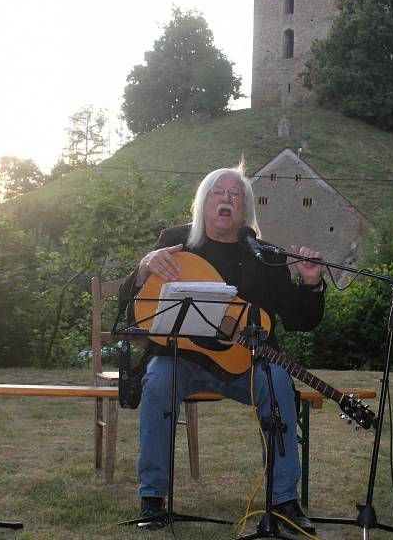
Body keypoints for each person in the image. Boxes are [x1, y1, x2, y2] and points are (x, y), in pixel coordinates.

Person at [118, 163, 324, 534]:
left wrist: (310, 285)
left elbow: (299, 320)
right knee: (158, 379)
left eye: (235, 195)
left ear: (245, 210)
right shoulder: (176, 241)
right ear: (203, 203)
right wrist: (144, 267)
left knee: (277, 382)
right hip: (181, 358)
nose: (226, 199)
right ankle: (152, 498)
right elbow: (132, 304)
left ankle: (284, 500)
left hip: (247, 364)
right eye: (218, 193)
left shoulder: (265, 255)